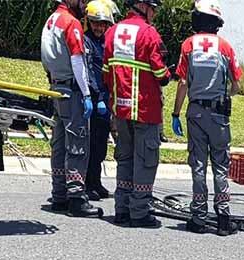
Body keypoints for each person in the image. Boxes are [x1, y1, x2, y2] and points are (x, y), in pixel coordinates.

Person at [171, 0, 243, 236]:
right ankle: (223, 219)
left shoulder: (188, 45)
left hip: (196, 112)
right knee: (221, 166)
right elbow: (237, 84)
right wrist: (224, 95)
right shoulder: (225, 47)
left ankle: (198, 218)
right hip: (219, 114)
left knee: (198, 166)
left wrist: (175, 113)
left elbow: (182, 82)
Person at [103, 0, 171, 228]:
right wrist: (166, 75)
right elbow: (161, 73)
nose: (154, 13)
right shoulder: (149, 34)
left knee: (125, 158)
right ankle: (139, 212)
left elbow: (105, 72)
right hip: (144, 109)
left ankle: (121, 209)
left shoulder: (112, 32)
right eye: (153, 8)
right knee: (145, 161)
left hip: (120, 110)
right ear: (143, 5)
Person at [41, 0, 103, 218]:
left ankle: (59, 194)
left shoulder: (51, 20)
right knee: (77, 142)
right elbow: (78, 60)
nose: (85, 4)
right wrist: (86, 94)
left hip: (57, 88)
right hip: (73, 89)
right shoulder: (71, 22)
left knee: (59, 143)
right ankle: (76, 197)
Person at [83, 0, 118, 201]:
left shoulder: (106, 42)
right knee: (91, 145)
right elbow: (89, 72)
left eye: (102, 24)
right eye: (95, 23)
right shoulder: (86, 41)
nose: (98, 27)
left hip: (105, 99)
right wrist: (96, 97)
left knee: (101, 146)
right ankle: (88, 184)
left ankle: (96, 181)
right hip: (94, 99)